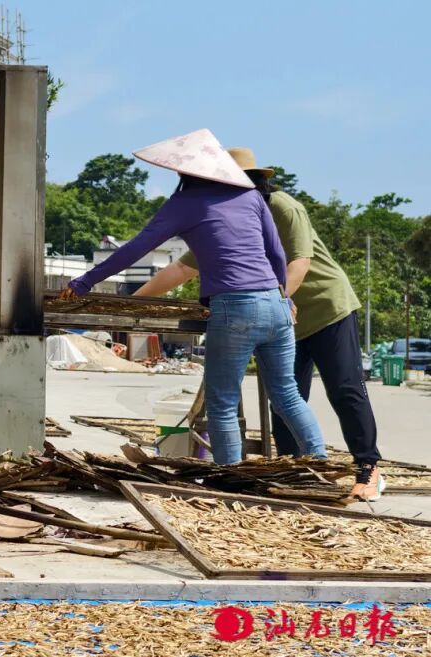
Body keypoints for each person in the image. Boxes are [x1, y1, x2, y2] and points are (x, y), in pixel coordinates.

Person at [64, 129, 326, 466]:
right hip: (276, 306)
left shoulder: (185, 203)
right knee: (287, 394)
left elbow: (134, 249)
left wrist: (86, 281)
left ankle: (230, 478)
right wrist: (283, 297)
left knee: (223, 403)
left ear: (189, 171)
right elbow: (275, 254)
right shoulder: (251, 197)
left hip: (235, 308)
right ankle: (318, 462)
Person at [136, 147, 384, 500]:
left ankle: (367, 468)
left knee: (344, 390)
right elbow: (182, 268)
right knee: (284, 398)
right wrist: (137, 299)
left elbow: (300, 261)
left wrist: (282, 299)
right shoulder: (227, 213)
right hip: (281, 317)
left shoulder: (283, 206)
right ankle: (294, 470)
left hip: (325, 308)